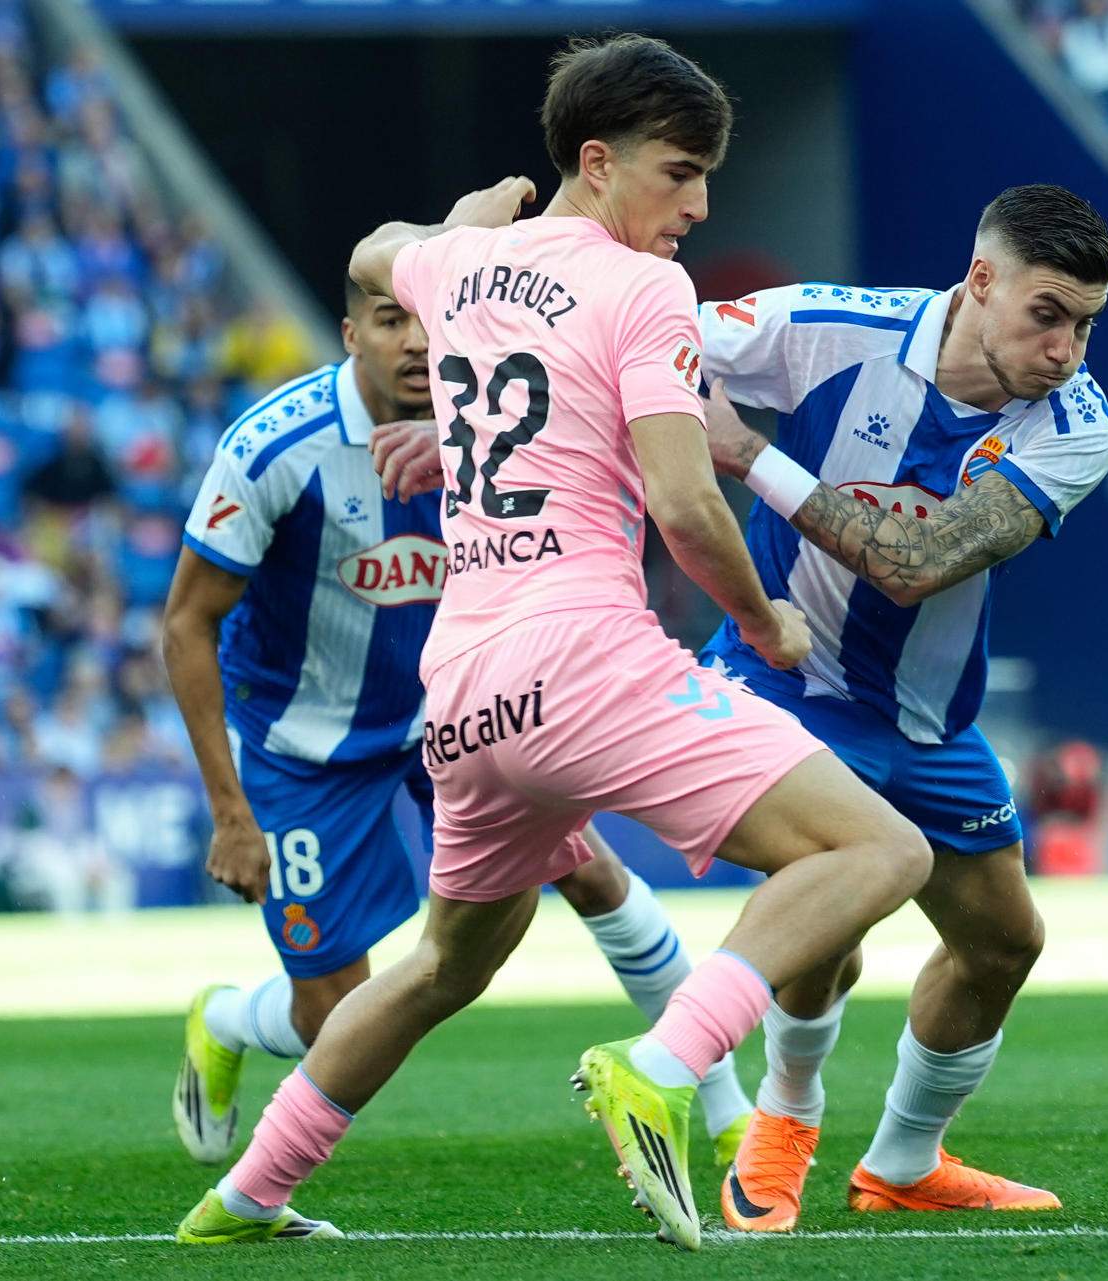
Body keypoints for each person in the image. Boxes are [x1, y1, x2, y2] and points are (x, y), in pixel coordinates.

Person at [173, 33, 928, 1252]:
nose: (698, 206)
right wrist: (761, 619)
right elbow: (685, 507)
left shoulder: (460, 264)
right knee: (877, 853)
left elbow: (380, 252)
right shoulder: (643, 290)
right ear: (596, 159)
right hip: (584, 656)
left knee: (439, 970)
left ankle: (244, 1199)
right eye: (679, 173)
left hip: (463, 688)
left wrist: (471, 216)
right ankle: (667, 1068)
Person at [163, 275, 756, 1178]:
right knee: (334, 1014)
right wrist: (230, 810)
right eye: (390, 321)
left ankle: (725, 1109)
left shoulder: (494, 415)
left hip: (453, 712)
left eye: (429, 323)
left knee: (590, 868)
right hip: (305, 746)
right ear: (350, 330)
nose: (412, 343)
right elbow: (186, 623)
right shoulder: (275, 447)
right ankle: (231, 1017)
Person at [691, 184, 1108, 1229]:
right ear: (980, 281)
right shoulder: (825, 328)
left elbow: (916, 565)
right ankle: (783, 1123)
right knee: (831, 897)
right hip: (782, 679)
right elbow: (639, 342)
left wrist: (747, 452)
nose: (1067, 350)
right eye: (1048, 315)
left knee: (1003, 945)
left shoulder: (1078, 426)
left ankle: (903, 1162)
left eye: (1087, 325)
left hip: (928, 720)